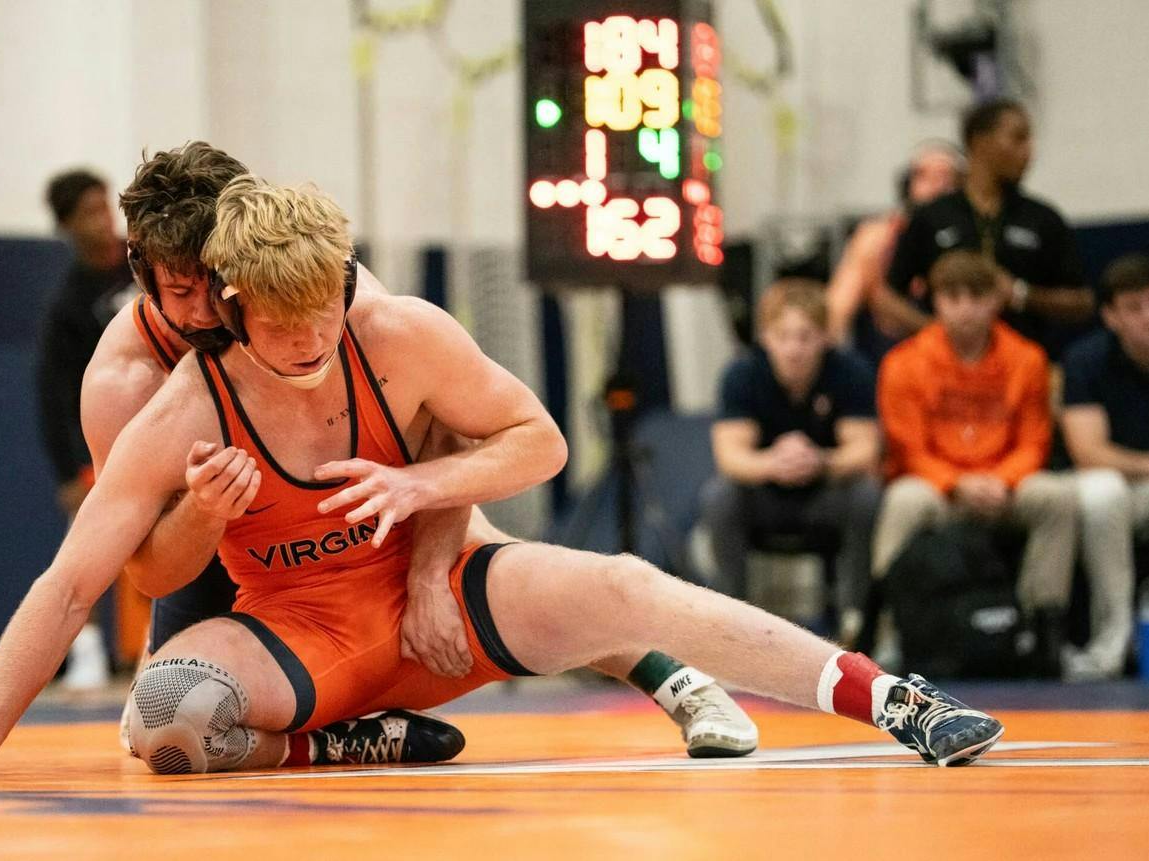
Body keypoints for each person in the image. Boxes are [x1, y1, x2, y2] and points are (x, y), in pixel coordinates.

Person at [0, 177, 1004, 783]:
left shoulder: (388, 325)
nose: (313, 340)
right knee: (160, 719)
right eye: (285, 323)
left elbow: (540, 439)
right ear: (229, 300)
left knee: (622, 581)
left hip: (438, 595)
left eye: (328, 311)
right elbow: (76, 581)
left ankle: (893, 698)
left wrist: (422, 501)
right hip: (304, 629)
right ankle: (346, 742)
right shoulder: (168, 402)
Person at [103, 142, 757, 759]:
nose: (206, 311)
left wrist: (425, 577)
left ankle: (676, 678)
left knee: (499, 570)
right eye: (181, 292)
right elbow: (136, 550)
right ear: (142, 276)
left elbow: (446, 437)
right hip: (227, 536)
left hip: (353, 489)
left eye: (214, 284)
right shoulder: (126, 378)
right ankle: (353, 737)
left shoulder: (336, 296)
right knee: (155, 729)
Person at [874, 250, 1078, 659]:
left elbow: (1035, 441)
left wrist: (1003, 480)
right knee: (903, 500)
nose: (964, 309)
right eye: (952, 297)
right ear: (935, 301)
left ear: (995, 300)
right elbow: (907, 448)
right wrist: (957, 483)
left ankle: (1037, 628)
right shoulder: (903, 363)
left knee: (1056, 498)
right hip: (940, 491)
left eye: (976, 296)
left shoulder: (1027, 359)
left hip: (1005, 487)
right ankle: (888, 628)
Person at [704, 278, 881, 643]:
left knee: (867, 495)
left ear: (824, 338)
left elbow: (865, 449)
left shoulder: (849, 373)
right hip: (765, 498)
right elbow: (729, 456)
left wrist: (821, 460)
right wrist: (773, 463)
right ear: (766, 337)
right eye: (783, 336)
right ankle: (729, 625)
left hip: (825, 495)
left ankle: (855, 623)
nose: (794, 348)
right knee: (719, 496)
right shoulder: (743, 375)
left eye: (805, 337)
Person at [1063, 254, 1149, 680]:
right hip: (1121, 488)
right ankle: (1112, 642)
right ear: (1111, 315)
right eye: (1134, 307)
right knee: (1104, 493)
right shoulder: (1085, 361)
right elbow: (1087, 450)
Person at [880, 99, 1094, 360]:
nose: (1029, 151)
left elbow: (1082, 302)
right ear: (980, 142)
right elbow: (887, 296)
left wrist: (1021, 294)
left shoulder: (1042, 218)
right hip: (945, 372)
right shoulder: (932, 216)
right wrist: (937, 330)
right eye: (1018, 138)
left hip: (1022, 370)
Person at [35, 168, 136, 689]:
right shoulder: (69, 301)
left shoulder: (146, 262)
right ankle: (88, 649)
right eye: (90, 212)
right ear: (68, 225)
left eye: (106, 206)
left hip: (173, 415)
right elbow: (56, 393)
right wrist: (71, 469)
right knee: (93, 546)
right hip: (110, 439)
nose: (104, 220)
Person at [825, 141, 963, 363]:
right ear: (907, 184)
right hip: (887, 354)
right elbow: (837, 311)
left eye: (946, 177)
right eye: (924, 176)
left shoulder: (969, 238)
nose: (936, 186)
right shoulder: (879, 237)